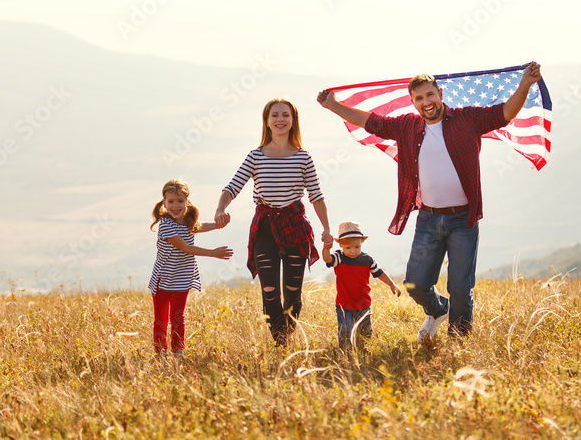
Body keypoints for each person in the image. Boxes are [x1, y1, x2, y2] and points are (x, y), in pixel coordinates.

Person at [317, 62, 542, 339]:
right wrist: (333, 106)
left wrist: (525, 85)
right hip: (428, 218)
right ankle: (438, 310)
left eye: (430, 95)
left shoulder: (467, 119)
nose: (426, 102)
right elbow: (370, 122)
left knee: (460, 286)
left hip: (463, 219)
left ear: (441, 93)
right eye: (419, 98)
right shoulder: (407, 127)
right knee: (415, 283)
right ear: (413, 102)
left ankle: (459, 339)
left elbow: (505, 113)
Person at [214, 98, 334, 346]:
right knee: (270, 291)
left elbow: (316, 195)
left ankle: (287, 332)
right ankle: (281, 344)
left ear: (293, 121)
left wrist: (327, 228)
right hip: (265, 227)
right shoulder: (255, 156)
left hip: (295, 225)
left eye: (285, 115)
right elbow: (233, 186)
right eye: (275, 115)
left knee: (293, 294)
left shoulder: (303, 157)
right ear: (267, 122)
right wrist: (220, 208)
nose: (280, 119)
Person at [148, 179, 233, 356]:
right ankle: (160, 353)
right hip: (162, 279)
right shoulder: (165, 225)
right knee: (161, 320)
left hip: (182, 279)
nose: (175, 206)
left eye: (180, 201)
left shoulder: (187, 221)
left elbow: (198, 226)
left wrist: (219, 224)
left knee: (178, 318)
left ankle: (178, 351)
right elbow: (185, 247)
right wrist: (213, 253)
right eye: (171, 202)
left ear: (187, 202)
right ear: (164, 203)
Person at [322, 221, 402, 352]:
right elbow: (327, 259)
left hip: (363, 304)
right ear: (341, 245)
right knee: (346, 331)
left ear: (361, 244)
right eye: (348, 248)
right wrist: (326, 248)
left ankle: (362, 351)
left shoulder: (367, 259)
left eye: (356, 247)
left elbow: (379, 273)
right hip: (344, 305)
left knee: (364, 332)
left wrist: (391, 284)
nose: (353, 251)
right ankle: (345, 352)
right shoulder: (339, 257)